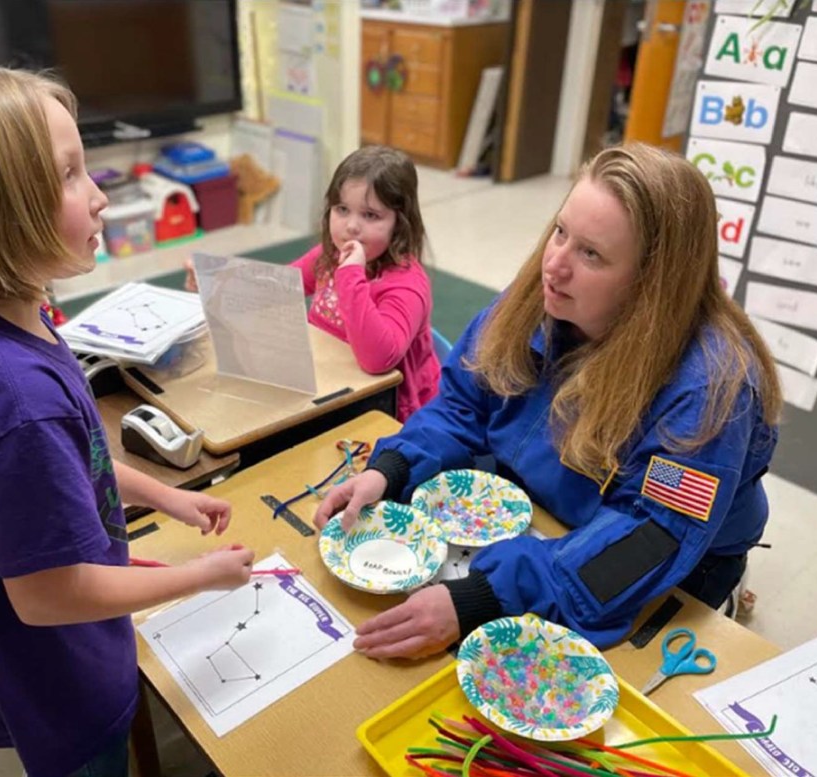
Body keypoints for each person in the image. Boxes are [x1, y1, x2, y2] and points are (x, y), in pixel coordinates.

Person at [0, 64, 256, 777]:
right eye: (70, 175)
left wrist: (166, 493)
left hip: (37, 651)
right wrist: (199, 576)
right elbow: (49, 594)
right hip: (65, 683)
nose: (102, 197)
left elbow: (75, 470)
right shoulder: (17, 402)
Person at [314, 143, 781, 659]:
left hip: (678, 560)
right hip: (552, 509)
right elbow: (464, 402)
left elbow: (646, 541)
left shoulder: (712, 391)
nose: (552, 266)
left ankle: (730, 595)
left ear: (652, 284)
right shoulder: (549, 294)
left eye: (592, 254)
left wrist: (486, 597)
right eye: (560, 232)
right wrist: (392, 468)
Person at [186, 146, 440, 421]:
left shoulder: (406, 285)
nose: (351, 226)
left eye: (370, 215)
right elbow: (276, 289)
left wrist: (350, 275)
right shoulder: (329, 255)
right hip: (330, 387)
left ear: (400, 225)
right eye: (342, 209)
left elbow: (377, 360)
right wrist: (214, 283)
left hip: (390, 413)